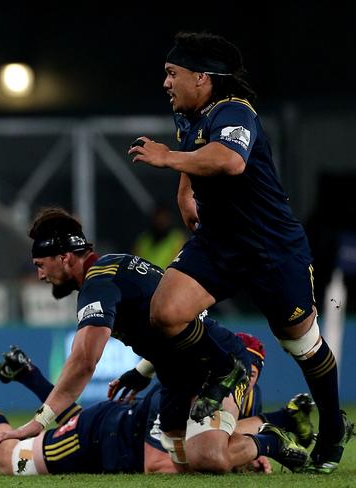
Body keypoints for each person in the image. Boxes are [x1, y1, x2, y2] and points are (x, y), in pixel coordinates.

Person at [127, 31, 353, 473]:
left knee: (302, 343)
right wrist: (185, 192)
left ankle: (332, 425)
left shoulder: (235, 112)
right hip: (219, 242)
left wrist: (169, 159)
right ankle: (228, 366)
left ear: (203, 77)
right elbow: (199, 151)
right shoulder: (190, 115)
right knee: (165, 313)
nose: (166, 83)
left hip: (272, 248)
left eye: (173, 74)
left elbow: (230, 160)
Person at [0, 207, 308, 473]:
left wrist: (41, 420)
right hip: (178, 377)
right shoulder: (116, 265)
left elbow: (85, 360)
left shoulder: (98, 283)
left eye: (40, 265)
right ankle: (272, 427)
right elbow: (164, 330)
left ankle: (271, 439)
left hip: (216, 367)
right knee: (182, 458)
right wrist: (142, 372)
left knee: (208, 458)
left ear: (64, 257)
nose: (40, 276)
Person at [0, 341, 314, 476]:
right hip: (99, 438)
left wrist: (247, 453)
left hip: (121, 423)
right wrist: (236, 457)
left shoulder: (235, 396)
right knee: (8, 460)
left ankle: (29, 374)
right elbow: (157, 465)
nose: (244, 381)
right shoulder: (179, 395)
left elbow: (235, 434)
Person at [132, 204, 186, 270]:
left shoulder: (177, 239)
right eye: (158, 218)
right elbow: (134, 262)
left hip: (166, 278)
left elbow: (178, 264)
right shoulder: (144, 240)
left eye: (164, 218)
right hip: (142, 277)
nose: (160, 221)